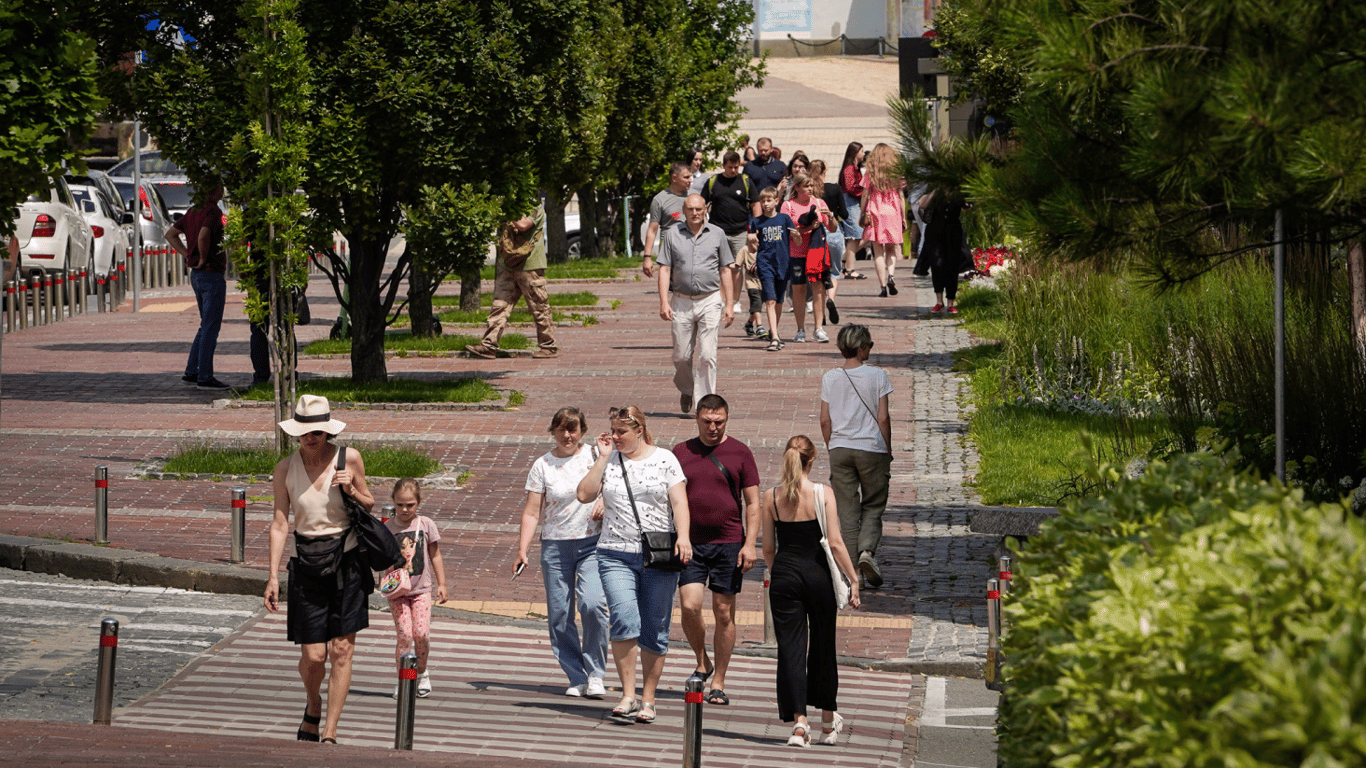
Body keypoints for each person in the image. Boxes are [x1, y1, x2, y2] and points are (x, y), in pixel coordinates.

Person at [264, 395, 376, 745]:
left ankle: (329, 731)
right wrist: (272, 576)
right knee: (314, 657)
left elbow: (370, 501)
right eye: (305, 432)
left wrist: (351, 489)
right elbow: (280, 523)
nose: (311, 438)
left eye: (318, 432)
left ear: (327, 431)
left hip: (347, 559)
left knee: (341, 650)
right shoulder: (285, 468)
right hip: (306, 563)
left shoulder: (349, 457)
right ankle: (313, 703)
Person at [575, 406, 693, 725]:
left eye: (621, 432)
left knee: (654, 628)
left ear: (639, 429)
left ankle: (648, 698)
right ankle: (627, 694)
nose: (615, 437)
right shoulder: (609, 460)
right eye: (612, 431)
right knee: (625, 619)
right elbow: (584, 494)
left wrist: (683, 536)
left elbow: (680, 501)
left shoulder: (665, 459)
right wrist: (601, 457)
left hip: (659, 555)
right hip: (614, 553)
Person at [761, 435, 861, 748]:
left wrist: (780, 570)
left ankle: (799, 724)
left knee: (790, 648)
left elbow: (767, 549)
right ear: (812, 460)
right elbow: (835, 542)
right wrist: (853, 578)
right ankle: (828, 721)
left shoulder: (771, 497)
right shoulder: (822, 493)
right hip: (817, 576)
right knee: (822, 647)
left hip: (784, 576)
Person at [514, 406, 610, 698]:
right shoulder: (542, 465)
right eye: (561, 429)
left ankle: (595, 673)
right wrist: (522, 549)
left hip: (591, 543)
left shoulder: (596, 455)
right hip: (555, 546)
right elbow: (532, 511)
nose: (567, 435)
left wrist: (606, 500)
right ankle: (576, 675)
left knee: (593, 605)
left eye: (573, 429)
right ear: (553, 431)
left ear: (582, 430)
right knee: (559, 614)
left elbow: (615, 486)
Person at [672, 394, 760, 706]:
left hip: (729, 543)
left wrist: (750, 544)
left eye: (719, 422)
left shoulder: (740, 452)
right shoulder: (681, 452)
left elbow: (753, 503)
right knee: (690, 605)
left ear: (726, 419)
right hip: (690, 543)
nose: (713, 427)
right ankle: (701, 659)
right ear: (697, 419)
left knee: (724, 611)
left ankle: (718, 680)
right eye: (707, 421)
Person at [819, 324, 893, 589]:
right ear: (861, 348)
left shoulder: (830, 378)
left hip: (839, 449)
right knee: (873, 504)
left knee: (847, 512)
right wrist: (887, 448)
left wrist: (832, 447)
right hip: (871, 448)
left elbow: (824, 420)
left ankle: (853, 575)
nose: (870, 349)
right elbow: (883, 417)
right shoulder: (877, 376)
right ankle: (867, 553)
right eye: (869, 345)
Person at [656, 194, 736, 415]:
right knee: (681, 356)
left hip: (710, 299)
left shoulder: (717, 234)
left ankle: (705, 404)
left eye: (699, 209)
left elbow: (725, 269)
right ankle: (687, 388)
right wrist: (664, 301)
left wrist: (729, 304)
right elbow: (664, 269)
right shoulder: (672, 234)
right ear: (684, 210)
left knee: (707, 355)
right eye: (690, 209)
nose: (695, 213)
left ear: (705, 209)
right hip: (681, 301)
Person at [466, 200, 557, 359]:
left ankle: (548, 346)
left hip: (530, 266)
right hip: (506, 265)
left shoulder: (534, 207)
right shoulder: (501, 207)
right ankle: (488, 345)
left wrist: (507, 210)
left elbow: (523, 225)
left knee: (539, 307)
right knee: (499, 306)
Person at [382, 478, 447, 698]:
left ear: (418, 503)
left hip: (421, 590)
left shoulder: (426, 524)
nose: (405, 509)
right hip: (397, 592)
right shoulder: (387, 528)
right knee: (404, 635)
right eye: (400, 504)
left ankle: (421, 672)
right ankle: (405, 679)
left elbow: (435, 555)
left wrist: (442, 584)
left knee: (421, 634)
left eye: (410, 504)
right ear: (393, 502)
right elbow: (380, 559)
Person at [167, 184, 229, 389]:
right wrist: (201, 257)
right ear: (213, 191)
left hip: (197, 275)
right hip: (211, 273)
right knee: (211, 327)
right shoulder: (212, 211)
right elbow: (204, 234)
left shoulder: (193, 210)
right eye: (219, 188)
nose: (222, 192)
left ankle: (192, 370)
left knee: (205, 325)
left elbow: (171, 234)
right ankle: (204, 376)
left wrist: (188, 255)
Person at [699, 151, 761, 335]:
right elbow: (702, 203)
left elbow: (756, 204)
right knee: (721, 268)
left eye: (736, 167)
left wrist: (756, 228)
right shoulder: (713, 182)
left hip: (741, 231)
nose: (734, 170)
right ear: (723, 165)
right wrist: (702, 225)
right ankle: (721, 299)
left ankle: (733, 301)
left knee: (737, 267)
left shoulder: (745, 181)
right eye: (730, 167)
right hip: (717, 231)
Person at [780, 173, 836, 344]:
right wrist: (810, 227)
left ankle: (818, 328)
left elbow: (832, 228)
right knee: (799, 290)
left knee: (819, 289)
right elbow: (788, 233)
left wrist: (831, 216)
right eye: (806, 186)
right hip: (797, 252)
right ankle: (800, 329)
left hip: (817, 252)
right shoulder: (788, 205)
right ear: (796, 187)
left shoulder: (819, 203)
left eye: (811, 185)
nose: (810, 189)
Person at [750, 187, 795, 352]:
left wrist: (796, 236)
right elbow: (752, 248)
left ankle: (773, 331)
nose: (765, 204)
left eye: (769, 200)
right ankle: (775, 338)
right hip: (765, 264)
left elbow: (795, 239)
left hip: (783, 264)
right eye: (763, 201)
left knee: (779, 302)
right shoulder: (756, 222)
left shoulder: (784, 219)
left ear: (777, 201)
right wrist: (751, 240)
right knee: (770, 300)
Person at [915, 192, 972, 315]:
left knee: (953, 266)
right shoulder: (933, 188)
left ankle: (951, 303)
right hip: (935, 231)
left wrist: (964, 200)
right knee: (937, 265)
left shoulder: (957, 189)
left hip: (953, 231)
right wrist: (935, 190)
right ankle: (939, 302)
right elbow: (922, 204)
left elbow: (967, 206)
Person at [861, 144, 906, 298]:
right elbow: (901, 196)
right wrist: (903, 217)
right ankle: (891, 276)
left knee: (878, 250)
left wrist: (862, 212)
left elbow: (865, 194)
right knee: (892, 248)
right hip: (893, 211)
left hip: (875, 210)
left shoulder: (870, 173)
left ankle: (882, 287)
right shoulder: (897, 173)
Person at [810, 159, 849, 326]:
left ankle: (821, 315)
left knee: (817, 275)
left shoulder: (810, 192)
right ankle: (831, 299)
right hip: (834, 232)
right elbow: (845, 214)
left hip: (816, 234)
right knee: (834, 271)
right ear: (824, 171)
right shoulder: (834, 189)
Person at [641, 163, 694, 278]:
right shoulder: (660, 199)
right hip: (671, 251)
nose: (690, 180)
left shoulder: (694, 196)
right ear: (674, 178)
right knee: (672, 288)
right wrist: (647, 258)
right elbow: (652, 230)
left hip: (693, 250)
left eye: (690, 177)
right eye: (686, 177)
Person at [838, 142, 868, 279]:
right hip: (850, 203)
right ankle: (849, 269)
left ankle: (846, 261)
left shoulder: (855, 168)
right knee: (855, 237)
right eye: (861, 151)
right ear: (855, 153)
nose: (863, 154)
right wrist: (865, 191)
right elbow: (851, 188)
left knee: (859, 236)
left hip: (854, 203)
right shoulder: (850, 169)